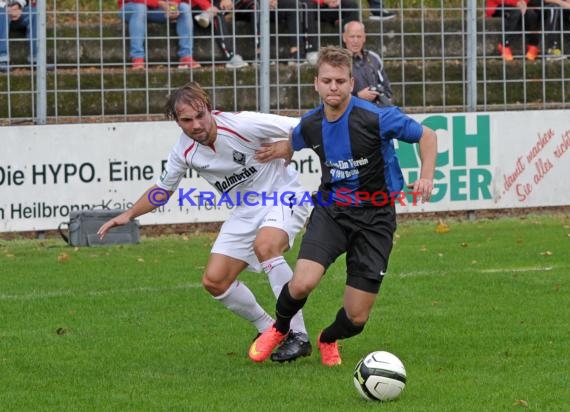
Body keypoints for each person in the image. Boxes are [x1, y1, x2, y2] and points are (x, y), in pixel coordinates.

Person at [97, 81, 313, 363]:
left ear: (210, 110)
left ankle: (298, 335)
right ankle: (269, 329)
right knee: (215, 281)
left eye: (200, 115)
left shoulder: (243, 124)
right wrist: (129, 214)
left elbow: (308, 126)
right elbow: (164, 189)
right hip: (246, 210)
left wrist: (288, 145)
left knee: (266, 246)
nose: (196, 124)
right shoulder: (184, 151)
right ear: (177, 121)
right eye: (187, 120)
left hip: (284, 194)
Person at [248, 46, 437, 366]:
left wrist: (426, 177)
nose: (333, 87)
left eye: (339, 80)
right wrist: (276, 150)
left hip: (377, 218)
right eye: (327, 80)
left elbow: (428, 136)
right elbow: (293, 142)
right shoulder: (311, 123)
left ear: (351, 82)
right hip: (332, 212)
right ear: (316, 84)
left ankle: (327, 338)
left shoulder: (377, 117)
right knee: (303, 281)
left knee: (357, 317)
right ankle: (279, 329)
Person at [118, 0, 200, 70]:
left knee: (184, 7)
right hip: (132, 7)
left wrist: (173, 7)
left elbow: (172, 2)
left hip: (157, 10)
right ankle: (137, 57)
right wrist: (160, 3)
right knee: (140, 8)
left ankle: (186, 56)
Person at [343, 20, 393, 107]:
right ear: (344, 37)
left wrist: (379, 95)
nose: (355, 40)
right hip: (350, 113)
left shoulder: (374, 59)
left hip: (376, 111)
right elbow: (333, 96)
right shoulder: (337, 61)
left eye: (359, 36)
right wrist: (358, 96)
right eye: (352, 37)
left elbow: (388, 90)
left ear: (364, 38)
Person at [188, 0, 249, 68]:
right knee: (217, 15)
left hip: (215, 6)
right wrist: (207, 6)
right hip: (195, 6)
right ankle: (230, 55)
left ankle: (207, 14)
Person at [303, 0, 360, 65]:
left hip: (332, 5)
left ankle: (351, 50)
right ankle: (312, 50)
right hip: (312, 6)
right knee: (307, 6)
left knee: (352, 5)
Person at [0, 0, 42, 72]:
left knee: (35, 12)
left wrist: (18, 5)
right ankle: (2, 59)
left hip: (17, 12)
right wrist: (5, 7)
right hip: (2, 13)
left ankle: (35, 58)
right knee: (1, 13)